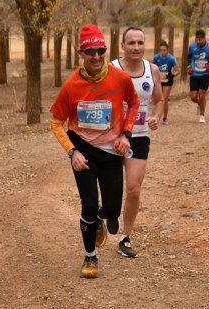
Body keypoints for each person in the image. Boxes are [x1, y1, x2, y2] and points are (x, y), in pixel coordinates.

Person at [50, 24, 139, 278]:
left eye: (101, 50)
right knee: (88, 205)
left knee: (111, 211)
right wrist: (71, 152)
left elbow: (133, 103)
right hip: (84, 150)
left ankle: (103, 214)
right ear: (81, 53)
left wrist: (126, 133)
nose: (97, 57)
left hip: (112, 152)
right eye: (91, 52)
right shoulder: (71, 86)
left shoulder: (120, 78)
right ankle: (90, 257)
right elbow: (56, 122)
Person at [110, 27, 163, 258]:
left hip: (139, 136)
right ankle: (109, 212)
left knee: (133, 188)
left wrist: (155, 117)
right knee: (111, 188)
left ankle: (125, 237)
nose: (136, 47)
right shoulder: (111, 69)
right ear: (122, 46)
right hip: (110, 137)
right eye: (131, 43)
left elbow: (158, 100)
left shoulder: (152, 70)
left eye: (140, 42)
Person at [187, 29, 209, 123]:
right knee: (193, 97)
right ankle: (200, 104)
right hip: (194, 74)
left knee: (202, 94)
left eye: (200, 39)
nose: (198, 41)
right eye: (197, 39)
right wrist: (188, 67)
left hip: (206, 74)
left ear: (204, 38)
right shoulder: (192, 47)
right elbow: (189, 58)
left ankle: (202, 115)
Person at [152, 40, 179, 125]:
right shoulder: (156, 57)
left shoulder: (171, 58)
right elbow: (152, 68)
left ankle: (163, 118)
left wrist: (173, 75)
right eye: (161, 50)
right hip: (159, 81)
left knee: (163, 99)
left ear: (167, 50)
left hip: (168, 81)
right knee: (158, 99)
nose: (162, 52)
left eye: (164, 50)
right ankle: (156, 116)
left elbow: (177, 71)